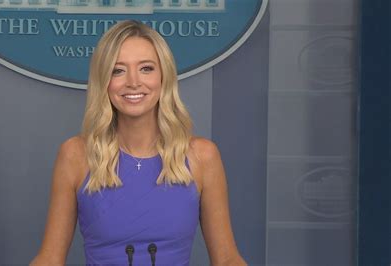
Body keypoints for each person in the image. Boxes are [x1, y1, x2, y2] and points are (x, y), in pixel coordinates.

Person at [31, 20, 246, 265]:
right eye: (118, 70)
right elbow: (49, 259)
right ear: (104, 81)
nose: (133, 81)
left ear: (164, 76)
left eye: (146, 68)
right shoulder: (75, 155)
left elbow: (228, 259)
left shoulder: (203, 156)